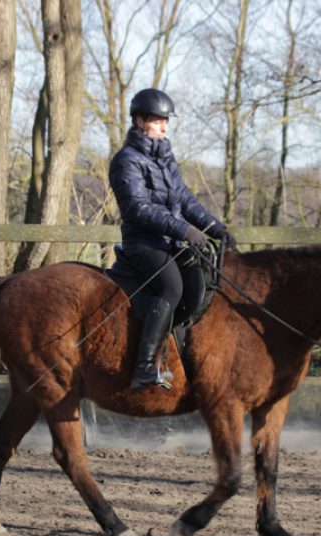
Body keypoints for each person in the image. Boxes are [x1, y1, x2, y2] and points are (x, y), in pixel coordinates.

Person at [109, 88, 236, 390]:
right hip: (144, 245)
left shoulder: (165, 157)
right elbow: (138, 208)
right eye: (157, 120)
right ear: (139, 121)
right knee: (172, 287)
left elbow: (184, 199)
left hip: (171, 244)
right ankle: (142, 368)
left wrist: (214, 228)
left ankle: (173, 352)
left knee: (199, 286)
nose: (164, 126)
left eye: (166, 120)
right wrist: (184, 231)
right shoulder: (126, 160)